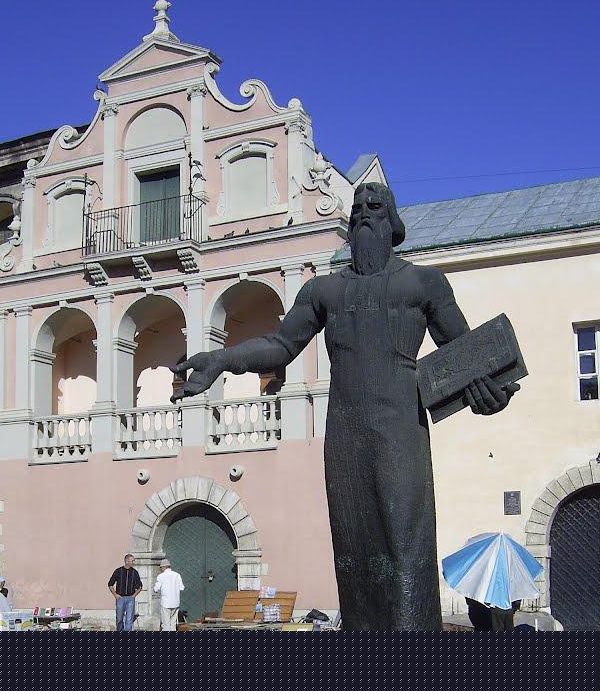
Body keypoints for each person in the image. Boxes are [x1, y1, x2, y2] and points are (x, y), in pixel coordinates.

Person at [171, 182, 518, 630]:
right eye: (356, 209)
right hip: (345, 435)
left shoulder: (424, 282)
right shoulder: (324, 291)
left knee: (406, 548)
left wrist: (491, 395)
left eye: (375, 207)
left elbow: (468, 358)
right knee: (354, 549)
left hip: (401, 432)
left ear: (393, 223)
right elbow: (280, 345)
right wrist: (222, 359)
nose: (364, 214)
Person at [108, 554, 143, 631]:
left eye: (133, 561)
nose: (133, 562)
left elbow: (140, 586)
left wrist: (133, 596)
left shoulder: (135, 572)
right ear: (127, 561)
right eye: (132, 561)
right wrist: (115, 594)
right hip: (120, 598)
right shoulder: (118, 571)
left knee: (129, 619)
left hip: (130, 599)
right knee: (119, 618)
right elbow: (110, 584)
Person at [154, 558, 185, 631]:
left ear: (163, 567)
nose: (160, 569)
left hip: (166, 603)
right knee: (173, 623)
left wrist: (157, 590)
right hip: (175, 602)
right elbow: (182, 588)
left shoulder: (161, 576)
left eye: (161, 567)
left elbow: (156, 589)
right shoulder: (177, 575)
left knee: (166, 624)